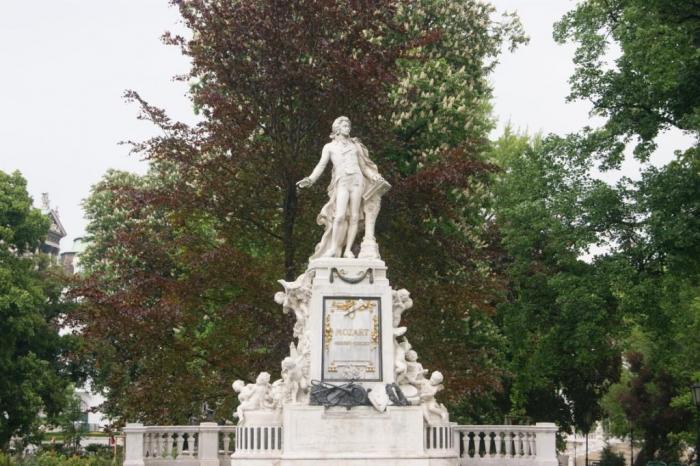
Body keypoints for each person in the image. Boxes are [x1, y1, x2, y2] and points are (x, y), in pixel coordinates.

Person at [297, 116, 386, 259]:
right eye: (345, 126)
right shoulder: (329, 147)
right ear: (337, 129)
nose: (348, 128)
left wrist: (374, 176)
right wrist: (311, 179)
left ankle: (348, 250)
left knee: (354, 216)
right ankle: (333, 248)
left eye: (349, 126)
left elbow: (363, 167)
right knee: (339, 216)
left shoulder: (355, 146)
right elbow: (321, 165)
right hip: (342, 182)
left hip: (357, 181)